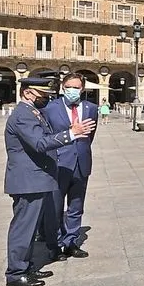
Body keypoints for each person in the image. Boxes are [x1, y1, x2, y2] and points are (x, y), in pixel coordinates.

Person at [4, 77, 95, 286]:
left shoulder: (31, 112)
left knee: (30, 225)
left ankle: (26, 267)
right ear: (27, 93)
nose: (45, 99)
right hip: (28, 180)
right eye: (41, 95)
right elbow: (40, 142)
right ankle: (16, 273)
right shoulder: (23, 115)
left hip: (36, 178)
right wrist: (73, 133)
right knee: (23, 228)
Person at [43, 73, 98, 259]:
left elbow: (89, 136)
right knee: (56, 207)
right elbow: (47, 137)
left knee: (76, 206)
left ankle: (71, 242)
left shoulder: (91, 108)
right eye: (69, 87)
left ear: (82, 89)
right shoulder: (50, 108)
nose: (73, 90)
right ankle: (56, 244)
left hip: (81, 163)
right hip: (59, 163)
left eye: (76, 87)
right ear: (62, 88)